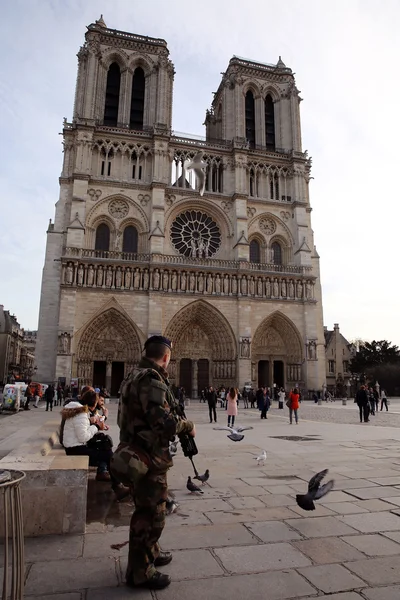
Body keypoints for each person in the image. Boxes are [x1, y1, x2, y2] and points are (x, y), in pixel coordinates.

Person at [117, 336, 196, 590]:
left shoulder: (133, 375)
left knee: (148, 509)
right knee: (152, 514)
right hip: (148, 457)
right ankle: (140, 572)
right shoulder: (151, 380)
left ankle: (150, 552)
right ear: (166, 357)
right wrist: (188, 426)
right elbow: (164, 424)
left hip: (135, 453)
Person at [61, 387, 129, 498]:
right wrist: (96, 426)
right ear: (93, 404)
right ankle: (117, 486)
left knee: (105, 444)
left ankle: (114, 480)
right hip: (75, 449)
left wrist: (94, 421)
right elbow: (83, 437)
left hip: (75, 445)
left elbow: (83, 425)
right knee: (107, 455)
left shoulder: (80, 410)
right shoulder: (81, 414)